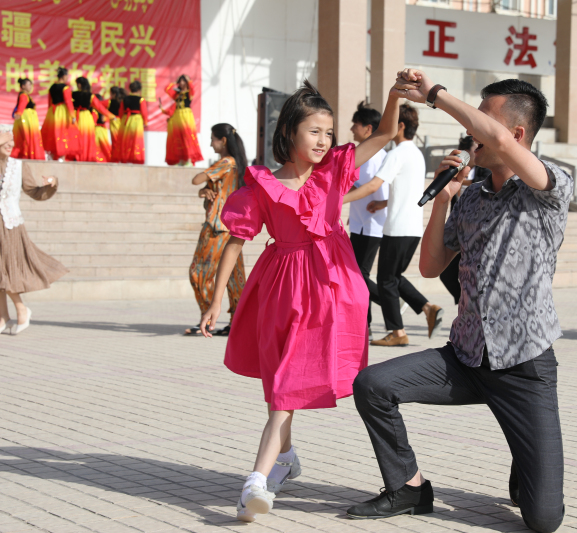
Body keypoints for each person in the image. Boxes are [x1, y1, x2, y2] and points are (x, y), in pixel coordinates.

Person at [347, 72, 570, 533]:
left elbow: (498, 142)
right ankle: (408, 487)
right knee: (373, 385)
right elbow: (429, 268)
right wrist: (444, 200)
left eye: (483, 120)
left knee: (544, 519)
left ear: (517, 133)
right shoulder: (471, 197)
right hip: (466, 358)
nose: (471, 132)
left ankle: (525, 458)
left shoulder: (550, 188)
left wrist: (435, 95)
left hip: (524, 367)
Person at [198, 79, 401, 523]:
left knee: (284, 392)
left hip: (330, 290)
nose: (324, 140)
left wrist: (394, 96)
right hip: (281, 289)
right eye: (315, 131)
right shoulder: (262, 184)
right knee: (280, 386)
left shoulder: (335, 170)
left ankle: (255, 481)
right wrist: (216, 302)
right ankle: (285, 460)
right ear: (289, 131)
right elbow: (234, 244)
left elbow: (385, 134)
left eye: (329, 132)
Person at [343, 104, 443, 347]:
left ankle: (397, 332)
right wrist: (382, 204)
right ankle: (426, 307)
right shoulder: (417, 153)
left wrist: (337, 198)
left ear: (400, 126)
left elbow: (372, 186)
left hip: (396, 226)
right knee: (392, 277)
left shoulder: (395, 153)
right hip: (411, 227)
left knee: (386, 279)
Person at [0, 125, 68, 335]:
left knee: (5, 269)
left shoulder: (18, 166)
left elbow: (35, 192)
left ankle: (21, 310)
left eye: (12, 140)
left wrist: (51, 184)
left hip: (10, 224)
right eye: (5, 140)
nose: (10, 144)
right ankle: (3, 319)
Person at [184, 124, 248, 336]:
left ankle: (207, 317)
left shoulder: (225, 162)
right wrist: (205, 191)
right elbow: (207, 188)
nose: (211, 143)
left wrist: (202, 187)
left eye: (213, 139)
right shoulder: (239, 164)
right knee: (234, 278)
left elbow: (195, 179)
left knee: (198, 272)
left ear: (223, 140)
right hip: (233, 227)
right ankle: (238, 322)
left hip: (216, 227)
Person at [345, 101, 388, 339]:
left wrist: (381, 203)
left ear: (369, 129)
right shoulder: (360, 155)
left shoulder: (381, 157)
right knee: (356, 275)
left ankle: (367, 324)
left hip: (373, 226)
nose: (352, 128)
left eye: (356, 124)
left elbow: (385, 192)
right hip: (360, 223)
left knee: (360, 276)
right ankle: (372, 316)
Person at [438, 135, 490, 304]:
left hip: (477, 233)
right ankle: (464, 302)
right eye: (473, 150)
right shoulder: (454, 173)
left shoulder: (486, 174)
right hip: (459, 231)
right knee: (446, 273)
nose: (476, 153)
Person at [161, 75, 203, 166]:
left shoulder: (189, 93)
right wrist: (175, 83)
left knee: (187, 136)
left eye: (183, 81)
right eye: (180, 81)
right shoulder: (177, 94)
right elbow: (167, 89)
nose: (182, 82)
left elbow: (192, 88)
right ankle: (180, 159)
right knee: (177, 137)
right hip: (177, 117)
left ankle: (188, 159)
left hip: (186, 117)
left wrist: (189, 81)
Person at [71, 77, 115, 162]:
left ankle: (76, 157)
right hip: (86, 118)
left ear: (79, 85)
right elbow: (100, 107)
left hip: (75, 117)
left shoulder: (73, 94)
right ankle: (85, 157)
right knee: (86, 138)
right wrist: (111, 116)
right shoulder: (90, 96)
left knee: (75, 137)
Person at [41, 67, 78, 161]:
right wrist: (73, 116)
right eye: (67, 76)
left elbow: (49, 102)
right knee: (63, 133)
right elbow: (69, 102)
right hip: (62, 112)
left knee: (53, 133)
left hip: (52, 112)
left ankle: (52, 155)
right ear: (64, 76)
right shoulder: (65, 87)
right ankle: (62, 157)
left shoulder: (52, 87)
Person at [11, 78, 45, 160]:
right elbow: (21, 105)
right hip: (26, 119)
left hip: (28, 119)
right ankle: (27, 155)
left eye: (31, 85)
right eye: (28, 85)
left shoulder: (25, 95)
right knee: (27, 137)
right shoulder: (23, 95)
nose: (30, 87)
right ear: (23, 86)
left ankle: (28, 154)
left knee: (28, 137)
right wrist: (19, 114)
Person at [118, 81, 148, 164]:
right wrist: (145, 122)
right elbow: (144, 113)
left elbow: (120, 112)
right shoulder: (141, 99)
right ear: (139, 89)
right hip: (136, 120)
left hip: (126, 120)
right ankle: (136, 158)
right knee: (136, 140)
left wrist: (122, 120)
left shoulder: (124, 99)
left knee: (126, 139)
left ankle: (125, 158)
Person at [106, 87, 125, 162]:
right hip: (123, 122)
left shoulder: (111, 102)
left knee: (115, 143)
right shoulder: (123, 101)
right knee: (122, 143)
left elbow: (100, 105)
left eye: (111, 94)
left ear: (114, 94)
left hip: (114, 123)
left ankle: (115, 159)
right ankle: (122, 159)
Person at [93, 93, 113, 162]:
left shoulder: (94, 109)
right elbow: (105, 119)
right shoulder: (104, 109)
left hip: (96, 130)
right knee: (105, 148)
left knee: (96, 147)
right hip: (103, 130)